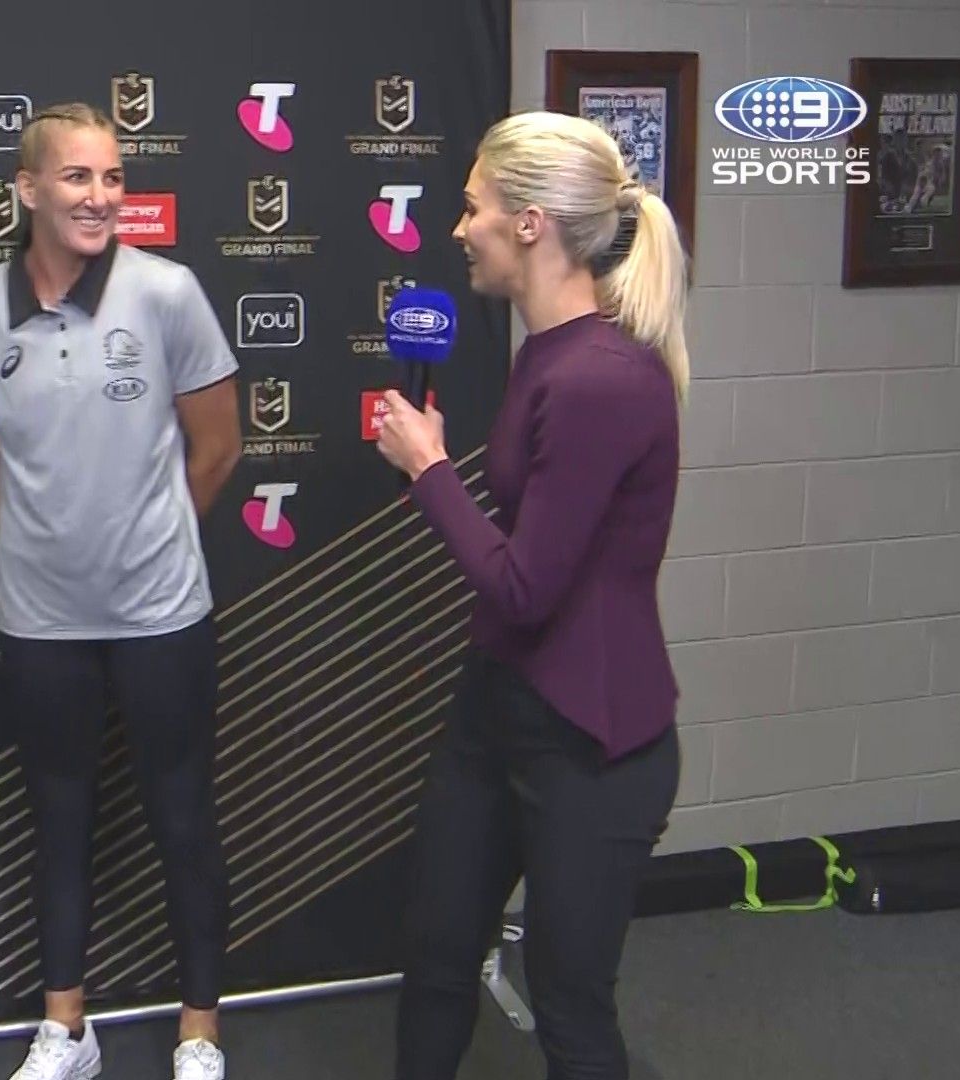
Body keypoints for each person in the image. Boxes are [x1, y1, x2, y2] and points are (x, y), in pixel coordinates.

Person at [373, 110, 689, 1080]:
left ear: (528, 224)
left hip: (591, 744)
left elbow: (524, 587)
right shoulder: (544, 355)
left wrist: (430, 471)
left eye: (472, 207)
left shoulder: (602, 378)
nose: (458, 228)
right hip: (499, 710)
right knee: (435, 957)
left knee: (570, 1008)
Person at [0, 103, 243, 1080]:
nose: (102, 196)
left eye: (114, 177)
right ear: (27, 189)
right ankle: (68, 1028)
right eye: (78, 177)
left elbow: (217, 448)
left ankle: (200, 1030)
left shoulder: (168, 292)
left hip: (161, 613)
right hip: (40, 620)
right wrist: (57, 544)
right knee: (58, 819)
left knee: (182, 818)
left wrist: (141, 539)